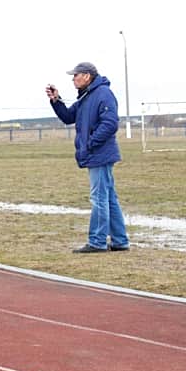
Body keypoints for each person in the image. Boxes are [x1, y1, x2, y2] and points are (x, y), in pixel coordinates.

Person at [46, 62, 130, 253]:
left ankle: (97, 241)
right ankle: (119, 240)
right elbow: (68, 116)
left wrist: (91, 143)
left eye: (75, 75)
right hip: (96, 153)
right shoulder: (86, 97)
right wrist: (56, 100)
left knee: (99, 198)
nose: (73, 79)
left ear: (87, 76)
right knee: (109, 198)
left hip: (100, 154)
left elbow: (110, 124)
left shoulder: (103, 94)